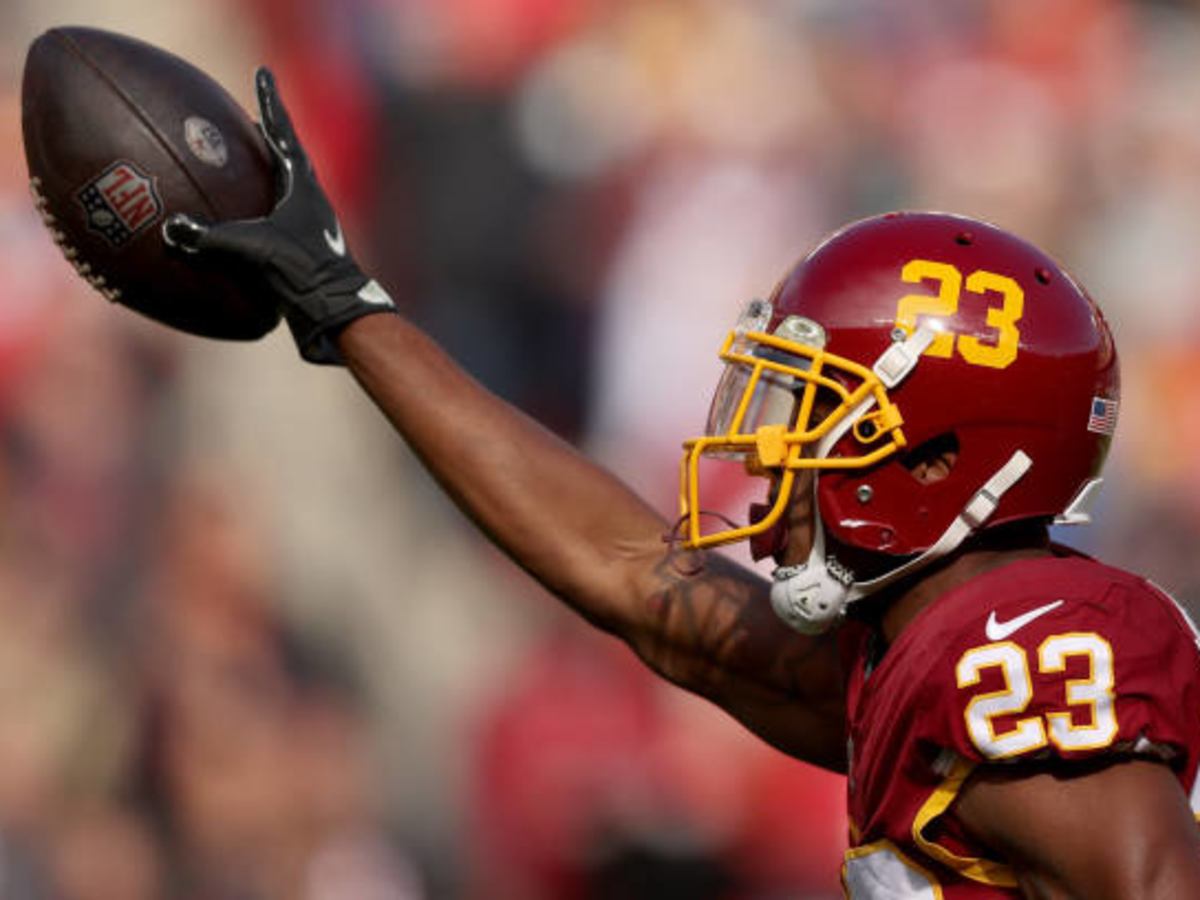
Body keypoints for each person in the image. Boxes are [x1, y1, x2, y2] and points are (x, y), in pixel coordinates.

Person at [163, 69, 1200, 898]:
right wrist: (349, 307)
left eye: (815, 413)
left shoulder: (1023, 652)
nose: (767, 452)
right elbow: (637, 582)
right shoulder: (915, 648)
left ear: (935, 460)